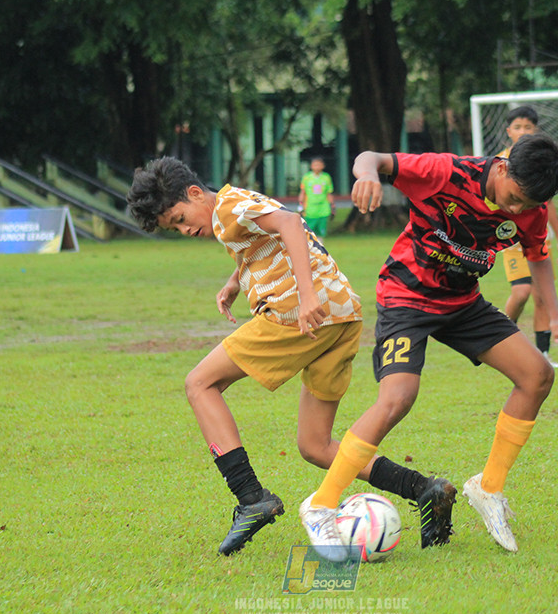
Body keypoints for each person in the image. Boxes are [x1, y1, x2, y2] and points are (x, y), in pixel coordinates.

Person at [127, 157, 455, 556]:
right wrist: (236, 280)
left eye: (179, 218)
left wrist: (306, 296)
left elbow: (290, 224)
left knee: (199, 383)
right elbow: (264, 235)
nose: (184, 229)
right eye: (174, 229)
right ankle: (423, 489)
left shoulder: (228, 207)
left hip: (299, 317)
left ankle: (250, 497)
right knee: (315, 445)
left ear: (195, 193)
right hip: (342, 315)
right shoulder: (232, 206)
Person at [298, 133, 558, 561]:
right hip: (406, 295)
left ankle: (488, 487)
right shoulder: (446, 172)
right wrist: (368, 175)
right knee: (398, 398)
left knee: (538, 375)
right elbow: (371, 154)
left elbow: (537, 257)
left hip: (463, 303)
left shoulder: (531, 209)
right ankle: (321, 504)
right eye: (515, 198)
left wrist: (555, 315)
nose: (516, 210)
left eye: (528, 205)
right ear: (502, 168)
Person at [498, 106, 558, 368]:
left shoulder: (543, 163)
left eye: (528, 127)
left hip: (539, 238)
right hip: (511, 241)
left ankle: (543, 355)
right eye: (518, 127)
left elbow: (547, 206)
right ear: (509, 131)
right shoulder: (501, 162)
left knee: (540, 297)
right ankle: (499, 339)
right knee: (521, 292)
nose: (523, 132)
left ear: (535, 130)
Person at [297, 157, 336, 239]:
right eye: (315, 165)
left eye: (319, 164)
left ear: (323, 166)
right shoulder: (307, 177)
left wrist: (332, 206)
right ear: (311, 166)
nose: (317, 167)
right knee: (309, 230)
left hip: (323, 208)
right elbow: (303, 192)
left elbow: (329, 192)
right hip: (310, 208)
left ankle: (320, 247)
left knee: (321, 231)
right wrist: (300, 205)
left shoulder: (326, 177)